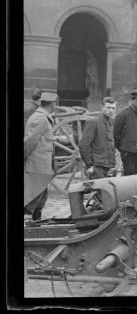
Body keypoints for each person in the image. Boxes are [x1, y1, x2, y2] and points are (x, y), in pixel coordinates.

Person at [24, 92, 67, 220]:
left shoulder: (43, 117)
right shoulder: (41, 118)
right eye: (56, 103)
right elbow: (29, 141)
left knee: (41, 200)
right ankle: (29, 227)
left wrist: (57, 138)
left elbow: (43, 137)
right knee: (32, 199)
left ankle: (36, 225)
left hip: (43, 168)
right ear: (52, 104)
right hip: (37, 167)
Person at [78, 97, 117, 179]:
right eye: (108, 107)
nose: (111, 111)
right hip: (97, 167)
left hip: (109, 167)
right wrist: (89, 165)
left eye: (113, 108)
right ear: (102, 107)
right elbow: (83, 145)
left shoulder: (111, 124)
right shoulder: (94, 122)